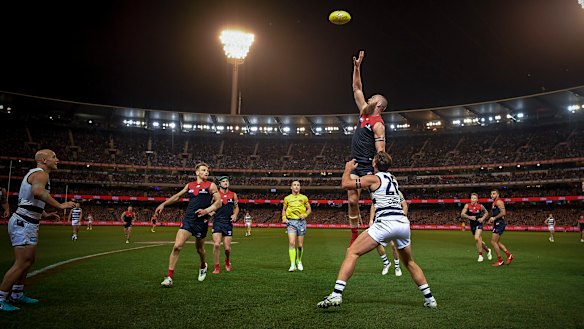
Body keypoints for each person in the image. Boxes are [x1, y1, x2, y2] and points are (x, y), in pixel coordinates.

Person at [318, 152, 437, 309]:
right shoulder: (393, 179)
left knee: (352, 252)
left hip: (385, 223)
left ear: (374, 164)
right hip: (402, 223)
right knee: (409, 262)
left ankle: (336, 294)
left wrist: (347, 169)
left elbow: (346, 184)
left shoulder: (373, 178)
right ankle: (430, 299)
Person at [0, 149, 76, 312]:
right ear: (43, 160)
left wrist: (45, 213)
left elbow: (30, 200)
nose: (58, 160)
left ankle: (17, 294)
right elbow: (37, 192)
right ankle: (1, 298)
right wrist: (61, 205)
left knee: (28, 261)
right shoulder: (41, 174)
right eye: (54, 157)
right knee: (22, 262)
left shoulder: (38, 174)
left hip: (29, 223)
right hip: (24, 223)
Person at [347, 50, 388, 246]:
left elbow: (381, 151)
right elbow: (356, 88)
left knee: (379, 201)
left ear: (379, 104)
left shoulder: (378, 124)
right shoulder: (364, 113)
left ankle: (383, 230)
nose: (368, 98)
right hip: (355, 165)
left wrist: (378, 171)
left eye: (372, 98)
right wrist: (357, 68)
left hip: (368, 168)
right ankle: (354, 234)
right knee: (353, 201)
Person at [158, 162, 222, 287]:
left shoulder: (211, 185)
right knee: (177, 246)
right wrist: (163, 204)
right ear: (197, 172)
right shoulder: (190, 185)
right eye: (203, 170)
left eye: (207, 170)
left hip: (201, 222)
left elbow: (219, 202)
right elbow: (177, 196)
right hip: (188, 220)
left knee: (199, 249)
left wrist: (206, 211)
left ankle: (203, 265)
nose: (206, 172)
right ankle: (169, 277)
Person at [369, 191, 405, 277]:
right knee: (376, 242)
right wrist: (371, 219)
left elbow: (405, 205)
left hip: (393, 221)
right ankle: (386, 263)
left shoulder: (397, 192)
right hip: (380, 221)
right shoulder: (378, 191)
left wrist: (402, 218)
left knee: (393, 245)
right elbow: (373, 205)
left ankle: (397, 267)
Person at [282, 180, 312, 272]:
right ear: (291, 187)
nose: (296, 186)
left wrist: (305, 215)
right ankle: (292, 265)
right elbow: (283, 210)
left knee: (299, 245)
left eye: (298, 185)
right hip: (291, 222)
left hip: (301, 222)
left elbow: (309, 209)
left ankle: (299, 261)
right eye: (294, 185)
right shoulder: (287, 198)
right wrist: (284, 218)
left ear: (300, 187)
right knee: (291, 243)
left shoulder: (304, 198)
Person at [211, 176, 239, 274]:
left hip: (228, 223)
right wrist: (210, 211)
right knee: (217, 244)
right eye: (223, 181)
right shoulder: (215, 194)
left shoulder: (233, 195)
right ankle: (217, 267)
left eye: (227, 181)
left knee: (227, 248)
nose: (226, 183)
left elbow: (236, 207)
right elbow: (209, 205)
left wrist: (235, 214)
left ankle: (227, 260)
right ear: (220, 184)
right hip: (217, 222)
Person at [460, 193, 492, 262]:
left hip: (479, 222)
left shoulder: (480, 206)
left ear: (477, 199)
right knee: (479, 240)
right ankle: (488, 250)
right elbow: (462, 214)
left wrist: (483, 218)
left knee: (477, 238)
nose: (473, 199)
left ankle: (480, 255)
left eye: (474, 198)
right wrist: (469, 217)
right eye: (472, 198)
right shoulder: (467, 205)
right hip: (472, 224)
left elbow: (486, 212)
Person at [488, 189, 514, 267]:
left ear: (498, 195)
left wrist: (494, 218)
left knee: (493, 242)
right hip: (497, 223)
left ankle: (500, 261)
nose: (492, 195)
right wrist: (491, 219)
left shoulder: (499, 201)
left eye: (494, 193)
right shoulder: (494, 202)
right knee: (497, 242)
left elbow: (503, 213)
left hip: (500, 223)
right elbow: (496, 213)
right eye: (491, 194)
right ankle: (509, 256)